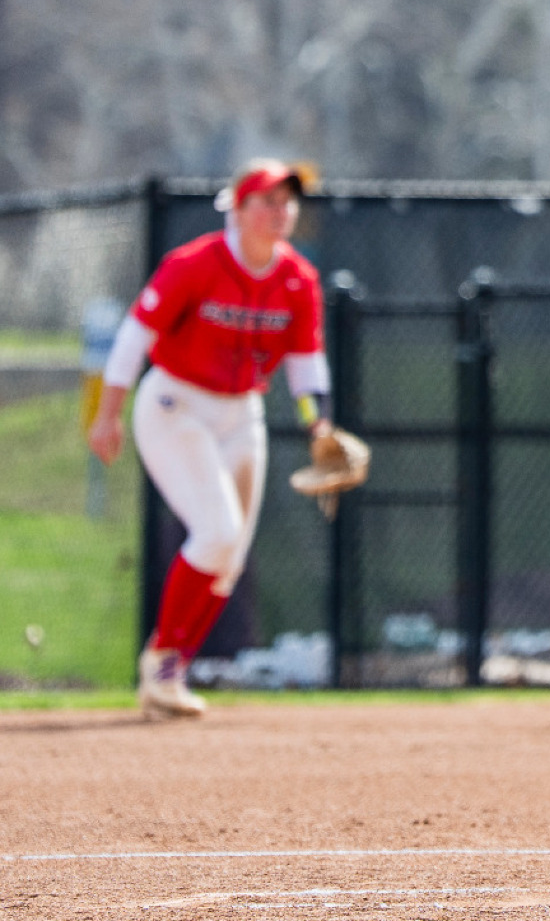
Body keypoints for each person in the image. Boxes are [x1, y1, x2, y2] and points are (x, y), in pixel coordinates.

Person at [86, 159, 335, 719]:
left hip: (241, 412)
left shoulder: (297, 279)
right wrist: (108, 415)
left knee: (229, 555)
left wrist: (318, 425)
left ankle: (168, 669)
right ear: (239, 208)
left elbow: (306, 365)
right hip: (175, 404)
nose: (281, 212)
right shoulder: (195, 264)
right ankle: (163, 664)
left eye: (288, 202)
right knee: (216, 532)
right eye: (268, 201)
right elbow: (133, 338)